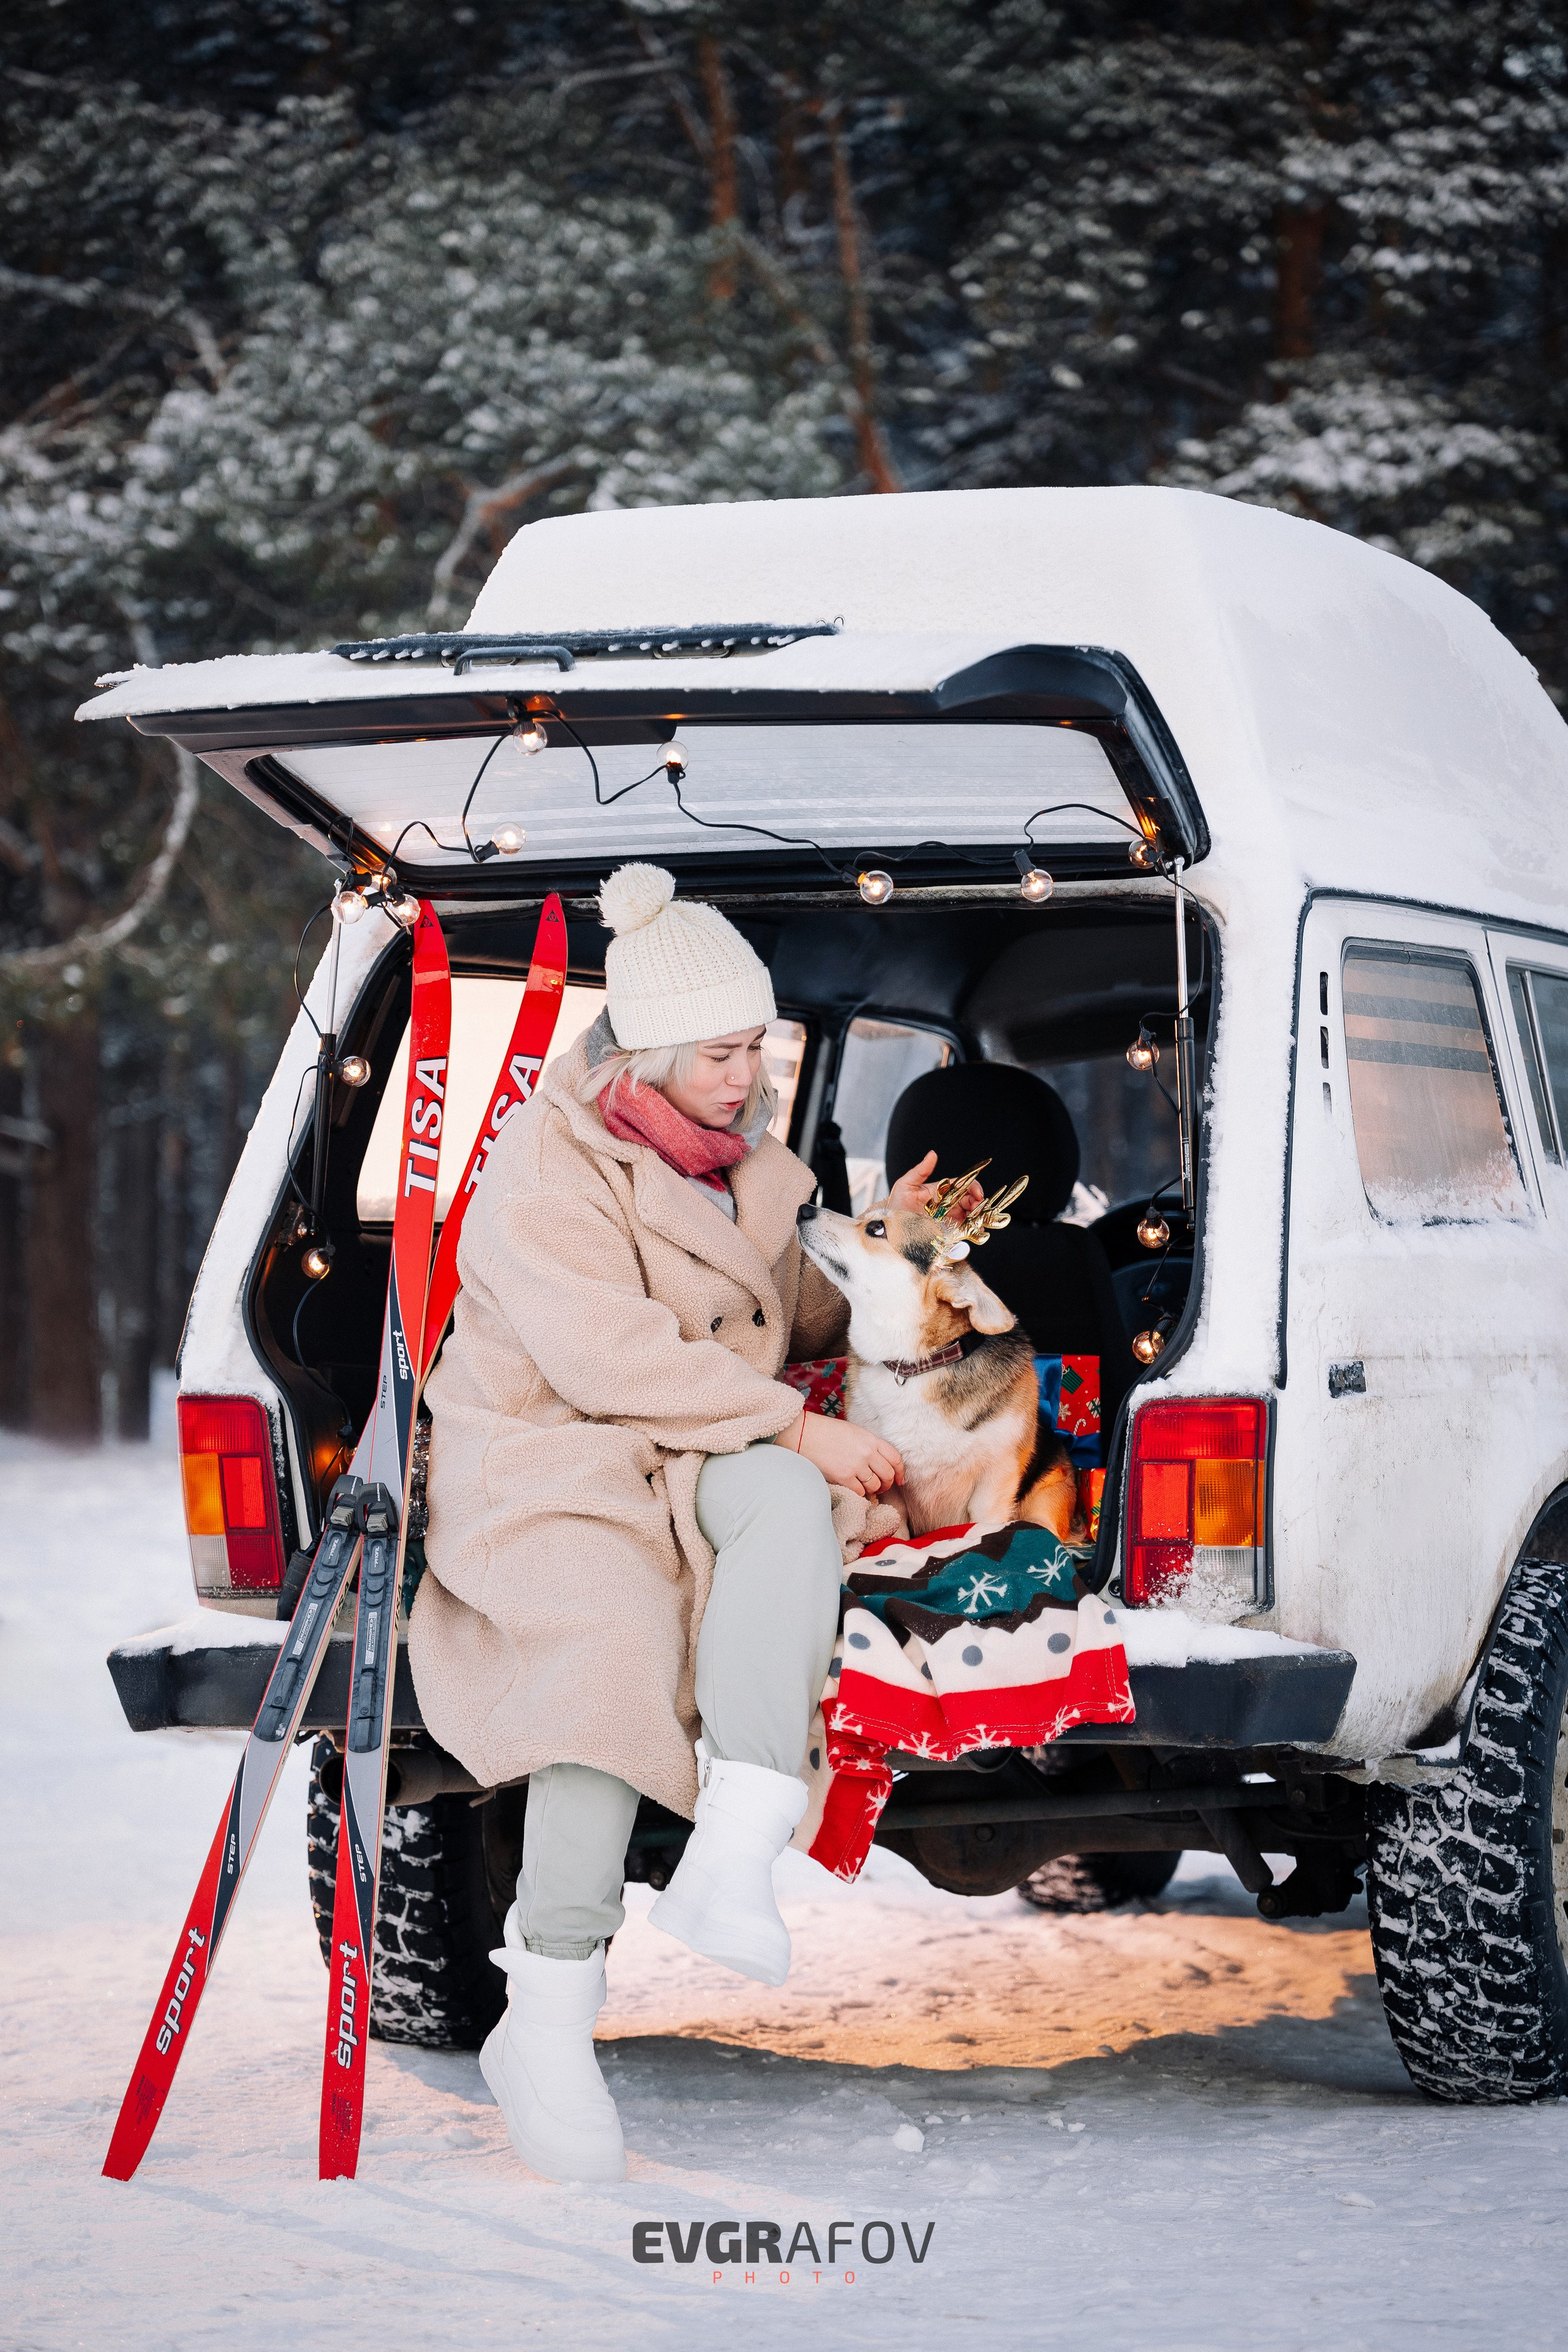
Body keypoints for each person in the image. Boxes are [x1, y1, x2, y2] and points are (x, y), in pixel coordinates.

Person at [410, 861, 974, 2186]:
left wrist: (903, 1242)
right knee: (607, 1642)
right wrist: (798, 1422)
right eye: (723, 1051)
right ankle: (544, 2013)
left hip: (693, 1438)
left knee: (787, 1502)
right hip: (556, 1451)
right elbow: (610, 1359)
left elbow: (788, 1318)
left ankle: (733, 1853)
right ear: (654, 1049)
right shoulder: (550, 1169)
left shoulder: (753, 1166)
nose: (747, 1072)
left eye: (756, 1046)